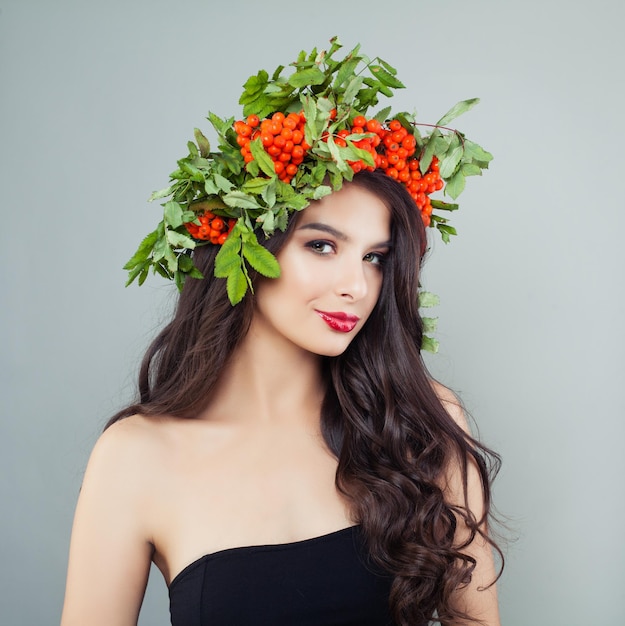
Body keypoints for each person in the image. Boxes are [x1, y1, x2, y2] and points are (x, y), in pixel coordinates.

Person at [61, 39, 501, 626]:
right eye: (322, 245)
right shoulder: (137, 456)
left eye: (375, 257)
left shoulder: (420, 422)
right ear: (244, 247)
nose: (357, 286)